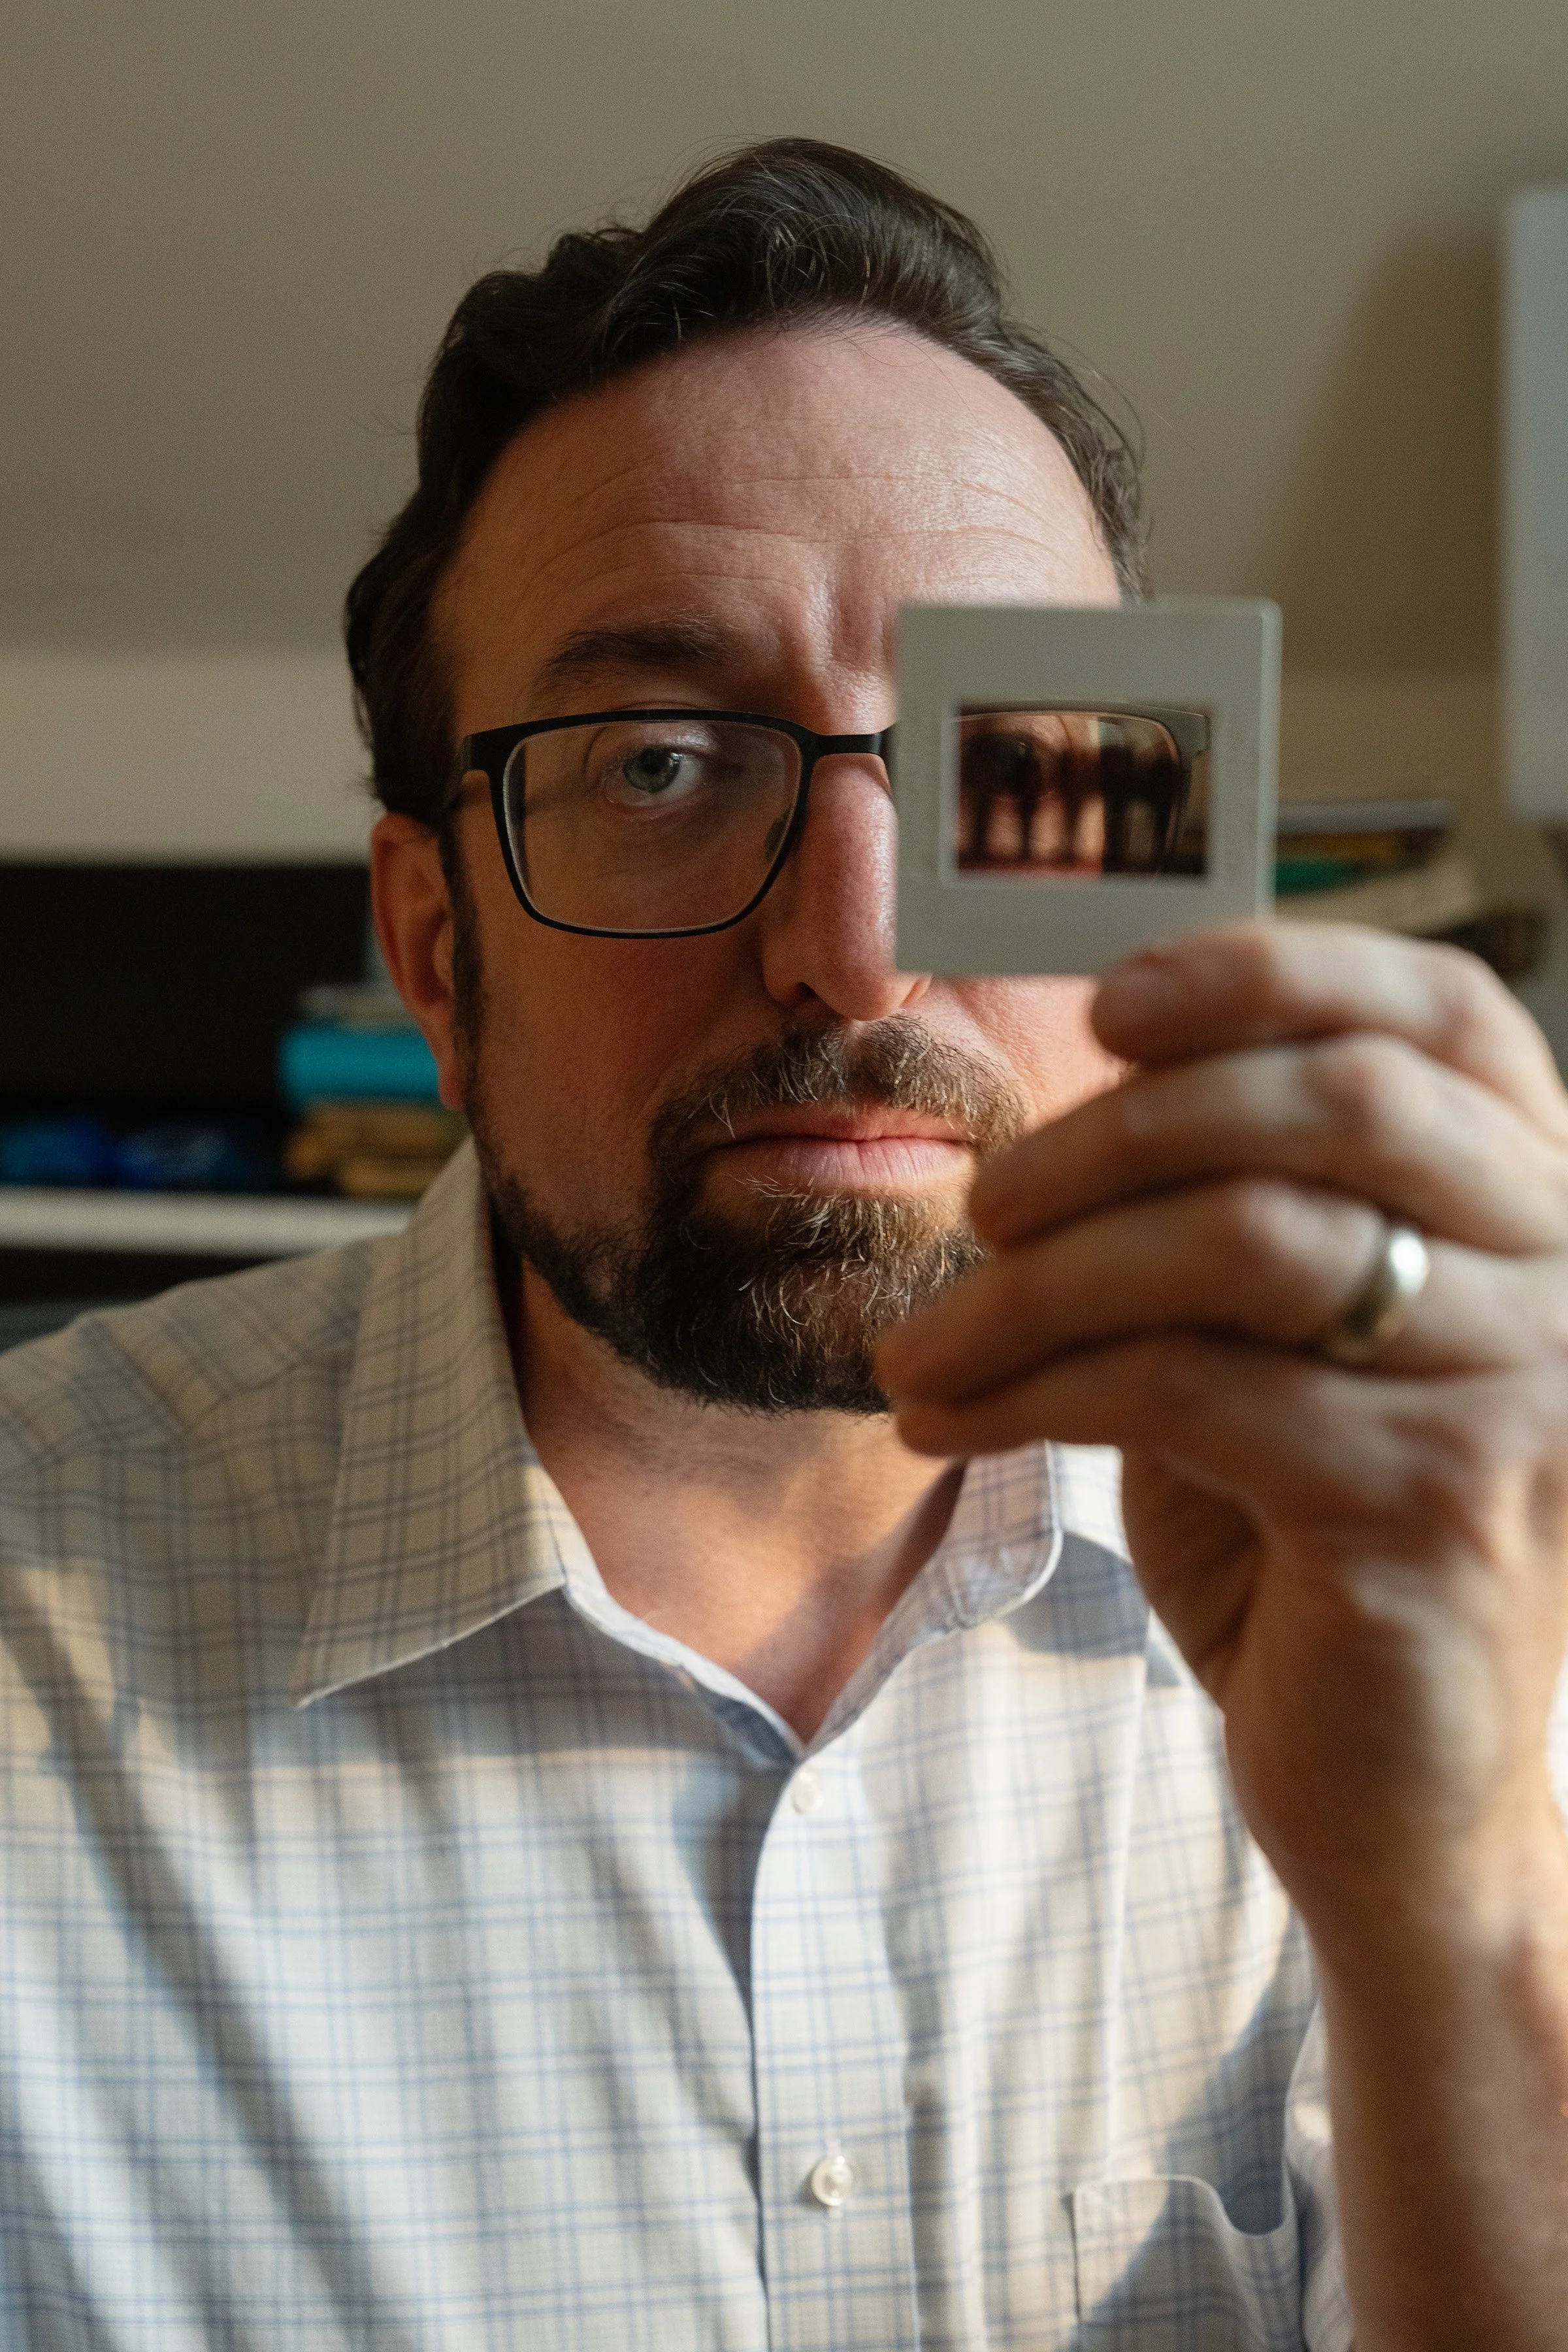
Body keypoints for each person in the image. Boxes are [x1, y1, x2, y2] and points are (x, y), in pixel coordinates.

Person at [2, 139, 1565, 2352]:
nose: (853, 953)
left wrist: (1454, 1890)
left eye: (994, 764)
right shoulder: (22, 1626)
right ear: (436, 948)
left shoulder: (1477, 1583)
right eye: (658, 761)